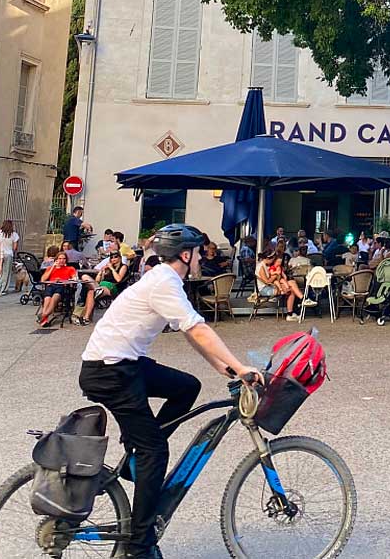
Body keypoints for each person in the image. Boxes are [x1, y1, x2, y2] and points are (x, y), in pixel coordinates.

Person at [80, 225, 262, 559]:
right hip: (111, 371)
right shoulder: (164, 282)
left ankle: (140, 452)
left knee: (186, 387)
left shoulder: (165, 280)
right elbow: (200, 329)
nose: (202, 258)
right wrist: (240, 366)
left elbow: (190, 330)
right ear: (185, 254)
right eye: (198, 252)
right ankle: (139, 546)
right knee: (156, 454)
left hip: (124, 364)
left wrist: (220, 366)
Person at [82, 242, 131, 323]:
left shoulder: (123, 266)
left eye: (116, 257)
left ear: (119, 258)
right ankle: (86, 317)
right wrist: (101, 272)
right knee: (86, 280)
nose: (113, 259)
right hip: (102, 285)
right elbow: (98, 280)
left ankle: (85, 317)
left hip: (113, 287)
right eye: (112, 258)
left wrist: (112, 269)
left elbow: (118, 279)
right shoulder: (107, 268)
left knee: (91, 292)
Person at [37, 246, 80, 328]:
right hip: (51, 285)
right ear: (56, 259)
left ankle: (43, 315)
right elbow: (43, 279)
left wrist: (70, 278)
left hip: (62, 286)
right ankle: (44, 317)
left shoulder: (70, 268)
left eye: (63, 259)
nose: (61, 260)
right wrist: (53, 267)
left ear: (66, 260)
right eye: (60, 258)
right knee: (47, 299)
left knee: (54, 298)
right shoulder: (50, 268)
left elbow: (75, 278)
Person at [256, 246, 304, 315]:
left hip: (272, 285)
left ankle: (302, 298)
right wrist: (276, 275)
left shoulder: (267, 266)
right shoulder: (261, 267)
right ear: (269, 258)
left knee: (292, 282)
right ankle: (291, 312)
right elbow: (267, 281)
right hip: (265, 288)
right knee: (291, 291)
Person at [0, 219, 20, 295]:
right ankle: (3, 289)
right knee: (6, 272)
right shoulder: (14, 235)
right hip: (8, 254)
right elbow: (14, 247)